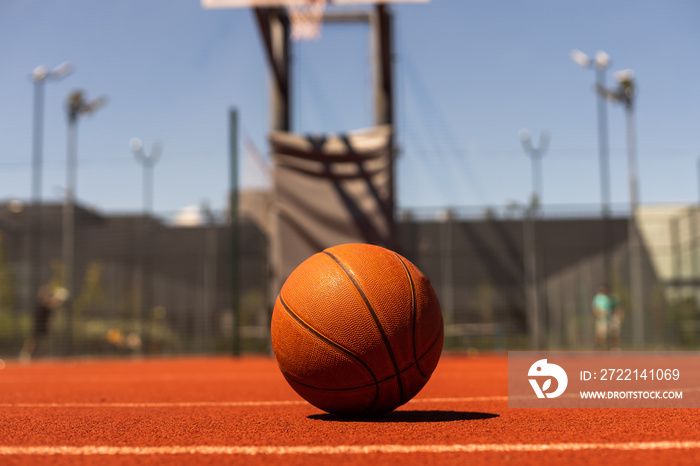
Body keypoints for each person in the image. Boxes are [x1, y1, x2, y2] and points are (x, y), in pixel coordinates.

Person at [19, 286, 69, 362]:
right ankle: (25, 354)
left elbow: (51, 307)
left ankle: (43, 356)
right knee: (33, 340)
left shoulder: (48, 304)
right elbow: (48, 304)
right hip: (38, 325)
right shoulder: (42, 304)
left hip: (43, 327)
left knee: (41, 342)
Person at [591, 283, 623, 350]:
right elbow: (595, 309)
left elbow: (618, 308)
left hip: (611, 317)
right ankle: (598, 347)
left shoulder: (612, 297)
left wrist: (618, 315)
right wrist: (599, 314)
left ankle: (614, 347)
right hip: (602, 318)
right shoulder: (598, 298)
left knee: (614, 332)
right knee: (601, 334)